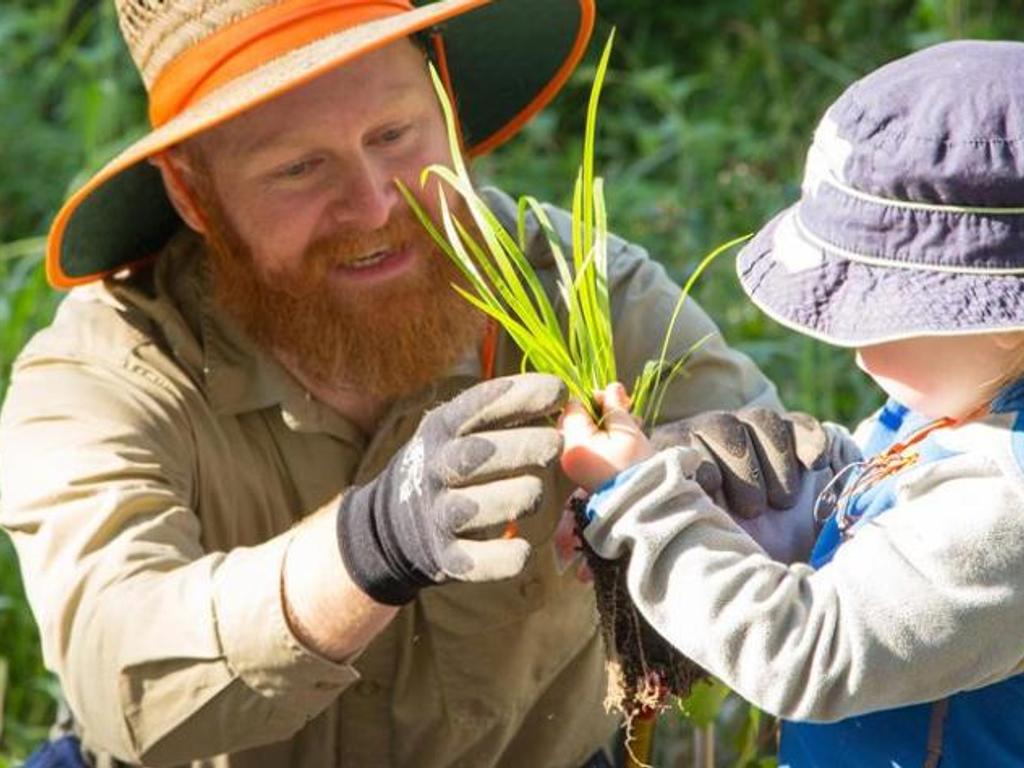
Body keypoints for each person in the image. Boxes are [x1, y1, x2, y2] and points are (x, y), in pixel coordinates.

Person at [0, 1, 830, 766]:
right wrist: (373, 544)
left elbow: (829, 522)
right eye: (298, 169)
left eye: (395, 134)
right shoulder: (109, 375)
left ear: (445, 105)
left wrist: (713, 478)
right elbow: (119, 672)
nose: (370, 205)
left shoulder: (577, 292)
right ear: (191, 189)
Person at [559, 39, 1024, 767]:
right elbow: (883, 505)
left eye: (880, 309)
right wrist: (750, 493)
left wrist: (644, 508)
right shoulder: (956, 403)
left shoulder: (1008, 504)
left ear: (1002, 320)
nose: (854, 344)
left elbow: (807, 653)